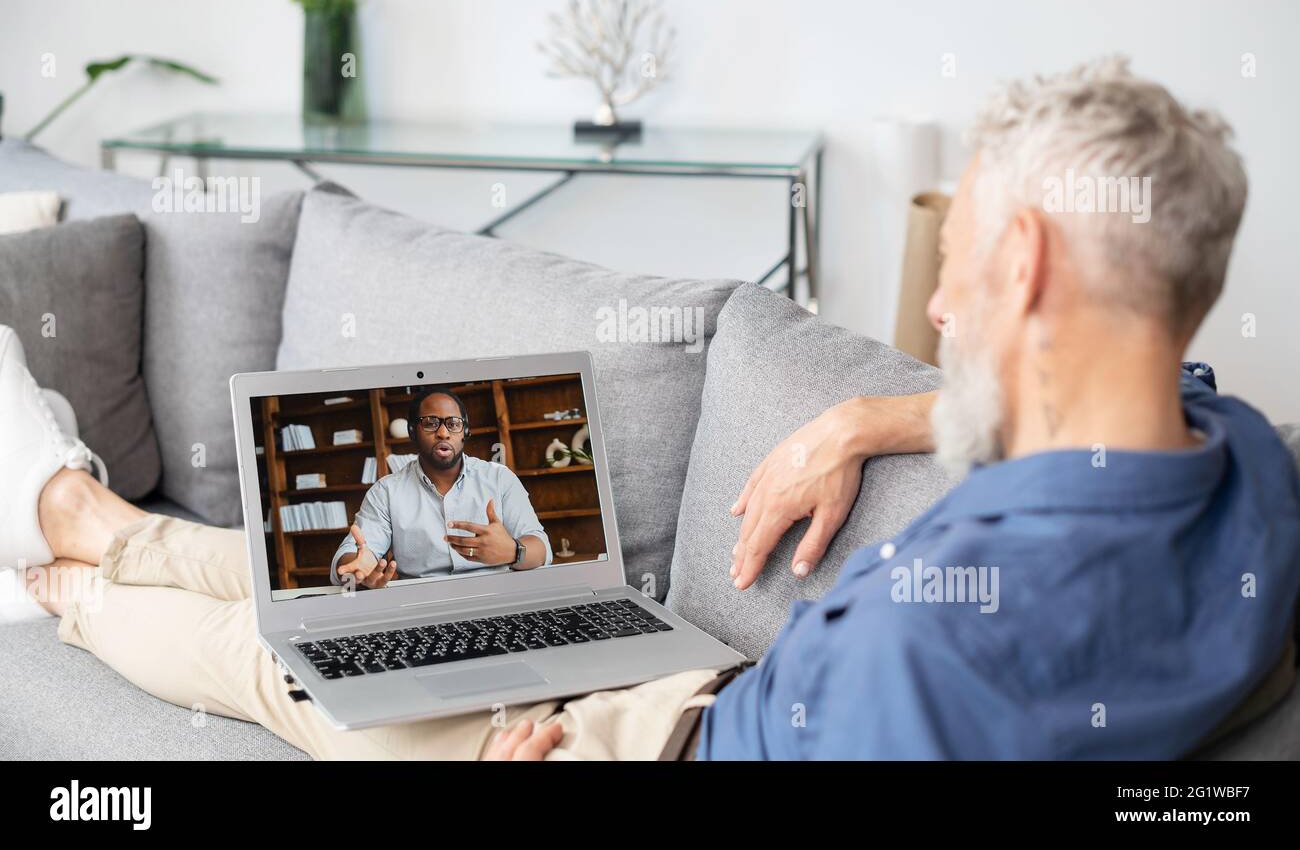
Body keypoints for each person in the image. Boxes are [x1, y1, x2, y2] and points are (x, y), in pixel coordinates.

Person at [6, 57, 1297, 759]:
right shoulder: (1247, 470)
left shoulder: (938, 646)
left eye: (955, 257)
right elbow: (1154, 393)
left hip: (617, 737)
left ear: (1022, 268)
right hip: (694, 680)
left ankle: (69, 588)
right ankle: (109, 522)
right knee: (359, 587)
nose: (940, 308)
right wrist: (871, 417)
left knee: (282, 662)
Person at [329, 388, 551, 590]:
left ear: (464, 431)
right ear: (412, 431)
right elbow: (350, 554)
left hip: (496, 594)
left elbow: (540, 548)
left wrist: (513, 551)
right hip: (419, 605)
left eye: (453, 424)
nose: (444, 433)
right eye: (430, 423)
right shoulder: (386, 491)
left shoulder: (499, 478)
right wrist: (358, 567)